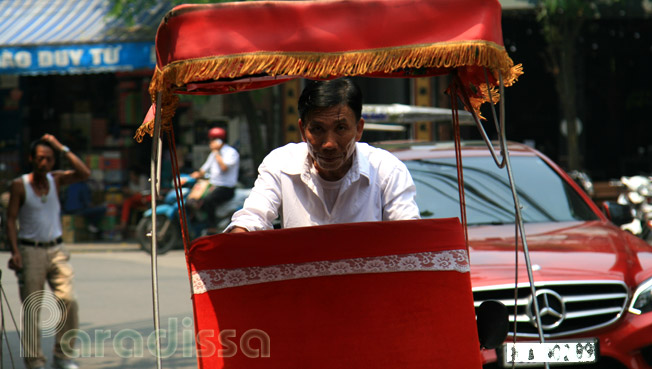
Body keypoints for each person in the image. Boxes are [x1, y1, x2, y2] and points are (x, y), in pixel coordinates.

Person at [226, 78, 419, 233]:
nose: (329, 144)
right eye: (317, 129)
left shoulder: (387, 169)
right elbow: (253, 217)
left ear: (358, 129)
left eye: (341, 128)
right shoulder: (280, 164)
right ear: (303, 130)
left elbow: (409, 234)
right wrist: (240, 235)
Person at [6, 134, 90, 369]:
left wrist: (61, 147)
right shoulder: (20, 185)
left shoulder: (56, 179)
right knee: (33, 307)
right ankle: (35, 362)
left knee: (68, 300)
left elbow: (84, 173)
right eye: (41, 158)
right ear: (32, 159)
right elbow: (11, 220)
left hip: (57, 249)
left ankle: (63, 356)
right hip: (30, 251)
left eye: (49, 159)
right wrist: (15, 252)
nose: (44, 163)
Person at [189, 127, 240, 229]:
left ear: (218, 140)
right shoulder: (213, 154)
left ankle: (212, 227)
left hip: (226, 188)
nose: (210, 143)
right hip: (212, 185)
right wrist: (191, 176)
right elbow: (203, 170)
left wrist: (217, 152)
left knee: (208, 200)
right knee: (193, 199)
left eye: (212, 140)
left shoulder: (231, 153)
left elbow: (224, 168)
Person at [117, 166, 150, 237]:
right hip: (137, 201)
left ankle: (123, 225)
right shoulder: (131, 182)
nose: (131, 176)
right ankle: (124, 224)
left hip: (145, 199)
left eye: (132, 174)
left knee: (129, 201)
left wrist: (130, 191)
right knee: (126, 203)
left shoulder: (143, 179)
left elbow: (141, 193)